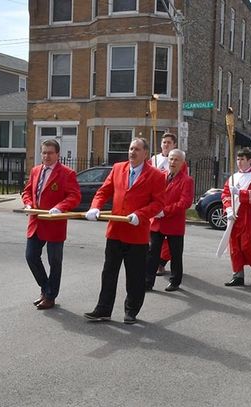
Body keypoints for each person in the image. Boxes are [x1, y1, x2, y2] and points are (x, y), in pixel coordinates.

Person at [83, 138, 165, 324]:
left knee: (134, 276)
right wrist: (95, 207)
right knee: (109, 273)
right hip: (115, 231)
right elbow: (103, 191)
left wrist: (141, 214)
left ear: (145, 153)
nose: (132, 152)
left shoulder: (156, 176)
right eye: (130, 148)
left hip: (137, 234)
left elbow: (159, 203)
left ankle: (131, 311)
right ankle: (103, 309)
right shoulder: (118, 168)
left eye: (136, 149)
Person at [22, 139, 81, 310]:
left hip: (54, 223)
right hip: (36, 221)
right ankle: (46, 289)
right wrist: (28, 203)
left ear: (57, 154)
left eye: (50, 153)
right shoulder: (35, 171)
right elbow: (27, 191)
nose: (46, 156)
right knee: (31, 256)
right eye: (44, 152)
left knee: (55, 261)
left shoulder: (66, 173)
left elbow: (74, 196)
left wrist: (60, 207)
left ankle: (50, 296)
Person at [145, 149, 194, 292]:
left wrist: (164, 211)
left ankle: (175, 281)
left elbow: (185, 202)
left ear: (182, 163)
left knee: (175, 254)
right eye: (171, 159)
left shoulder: (187, 180)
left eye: (176, 159)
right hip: (157, 223)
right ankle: (148, 281)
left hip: (174, 223)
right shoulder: (161, 176)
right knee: (152, 253)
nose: (172, 162)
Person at [221, 148, 251, 287]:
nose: (239, 162)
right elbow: (225, 195)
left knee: (248, 245)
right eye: (238, 159)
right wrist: (228, 209)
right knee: (235, 247)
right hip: (235, 215)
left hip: (250, 217)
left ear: (249, 161)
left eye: (242, 159)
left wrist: (240, 193)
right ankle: (238, 275)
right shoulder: (233, 177)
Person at [150, 132, 178, 275]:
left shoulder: (177, 160)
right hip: (155, 202)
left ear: (174, 145)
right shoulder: (154, 159)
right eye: (164, 142)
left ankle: (161, 262)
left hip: (170, 203)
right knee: (154, 237)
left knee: (168, 239)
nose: (166, 145)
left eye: (169, 142)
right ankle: (153, 264)